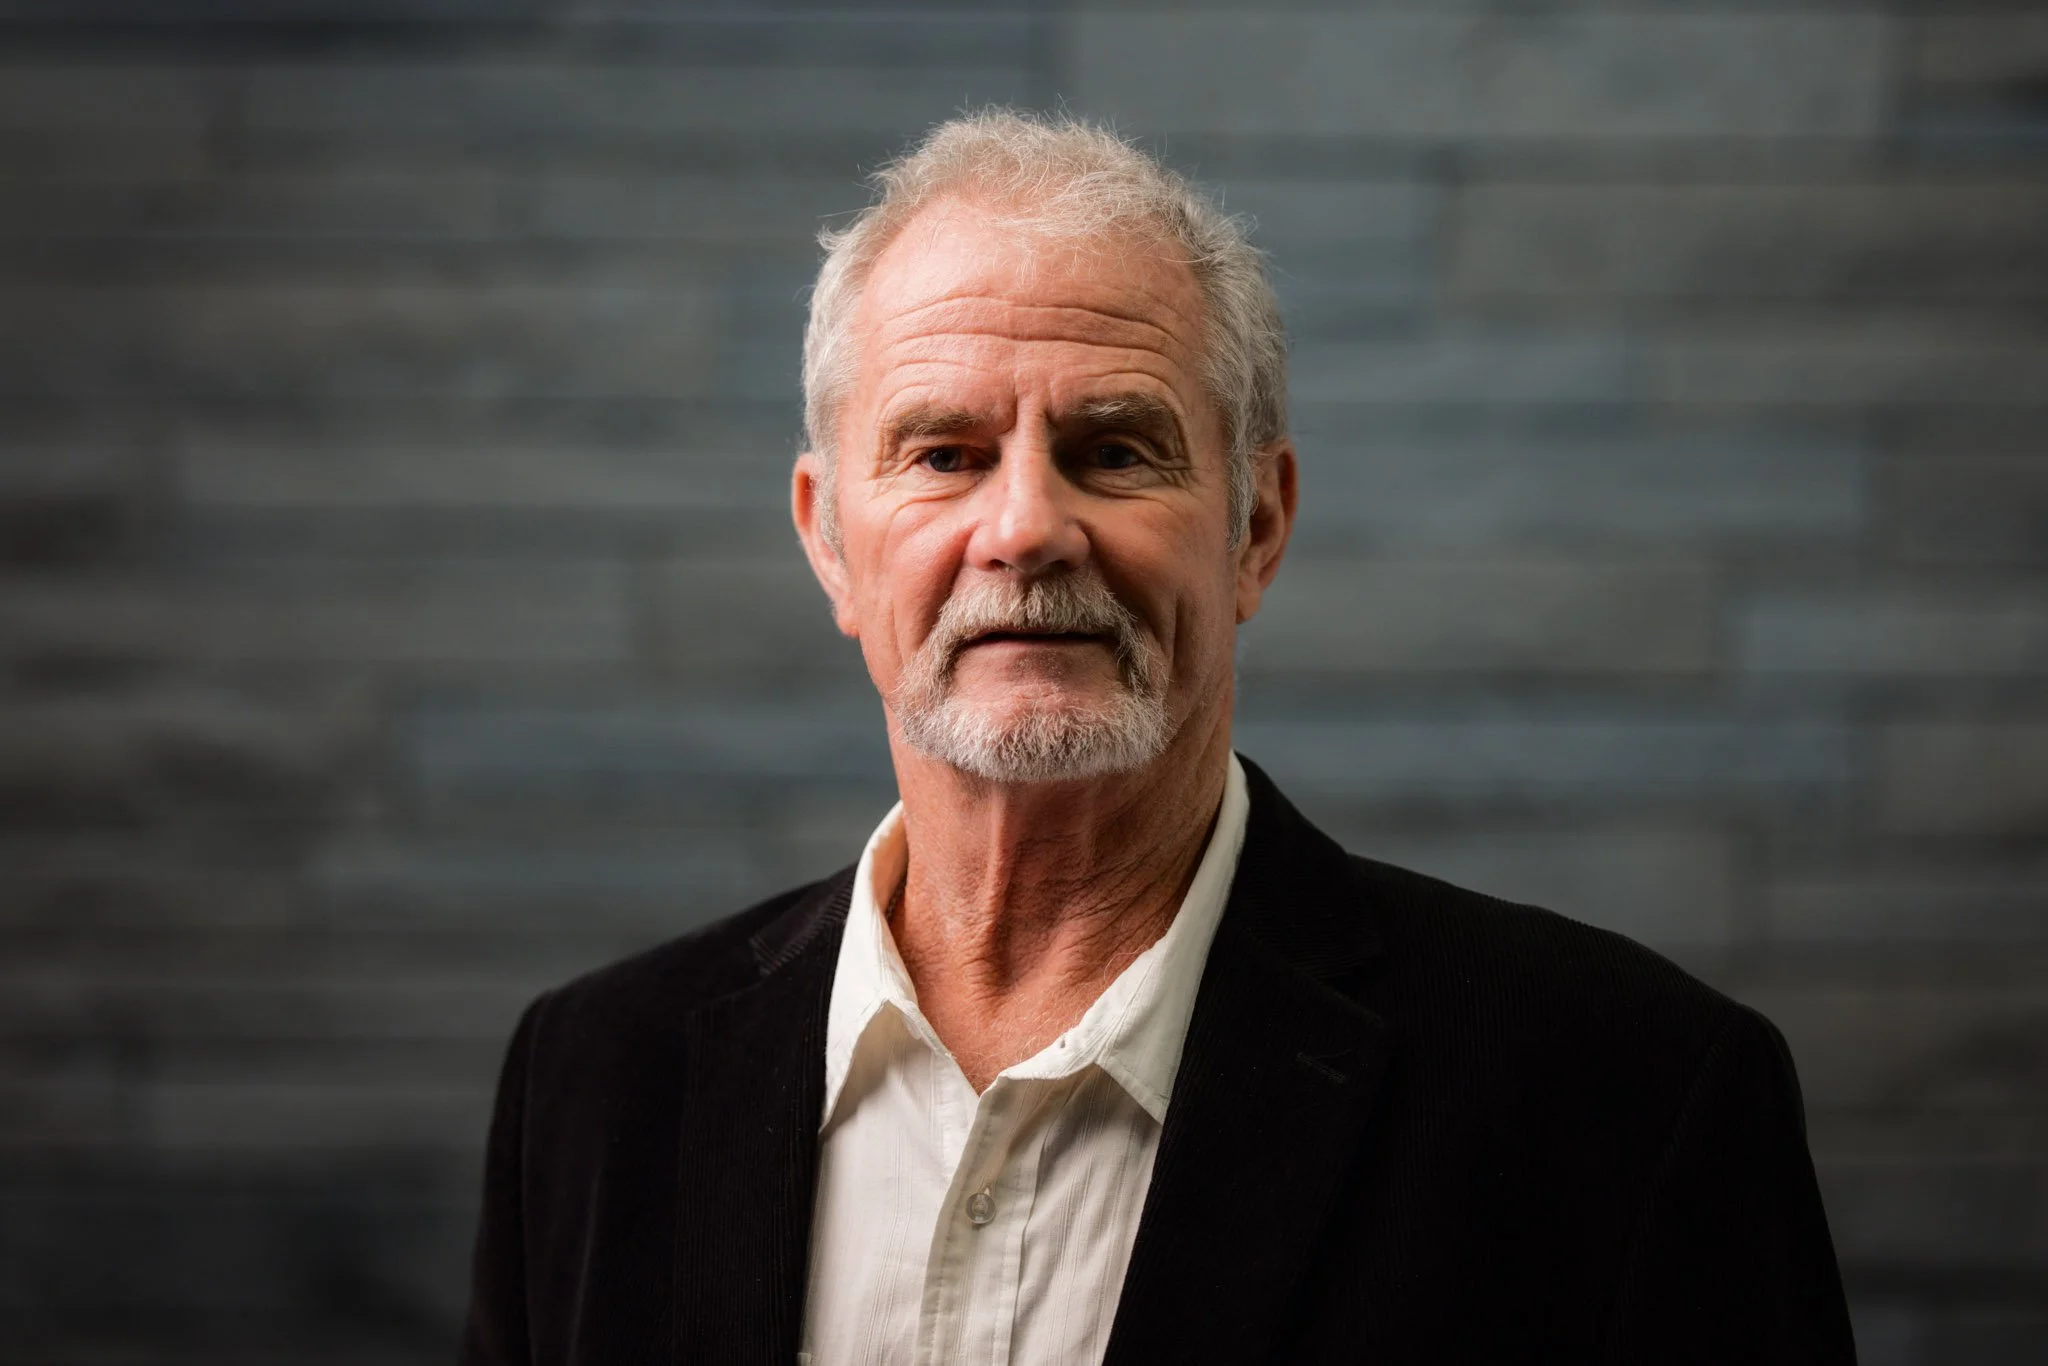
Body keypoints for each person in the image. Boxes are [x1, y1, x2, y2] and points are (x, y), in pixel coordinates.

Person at [460, 111, 1856, 1365]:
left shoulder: (1632, 1101)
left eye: (1116, 450)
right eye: (944, 452)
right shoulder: (594, 1084)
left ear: (1255, 527)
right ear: (829, 537)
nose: (1024, 528)